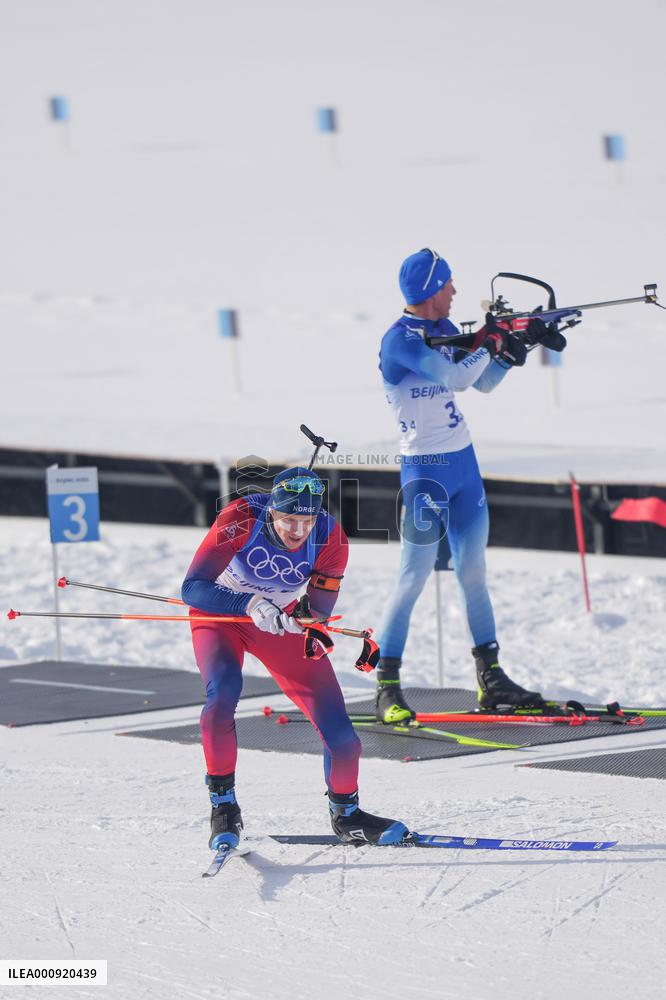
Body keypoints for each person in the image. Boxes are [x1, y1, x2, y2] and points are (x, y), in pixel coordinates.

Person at [375, 248, 566, 723]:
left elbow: (482, 384)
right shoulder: (399, 341)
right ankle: (386, 684)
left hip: (463, 464)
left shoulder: (443, 331)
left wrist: (513, 351)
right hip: (424, 474)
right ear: (430, 292)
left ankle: (492, 676)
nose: (455, 292)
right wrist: (492, 340)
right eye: (449, 284)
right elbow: (457, 377)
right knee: (413, 575)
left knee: (474, 572)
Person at [181, 465, 408, 849]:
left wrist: (303, 620)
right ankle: (224, 807)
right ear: (271, 511)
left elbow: (317, 608)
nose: (297, 531)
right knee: (222, 697)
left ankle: (346, 814)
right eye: (289, 520)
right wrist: (250, 602)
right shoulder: (240, 519)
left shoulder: (329, 536)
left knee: (343, 738)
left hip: (275, 624)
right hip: (220, 614)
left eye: (306, 520)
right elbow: (193, 588)